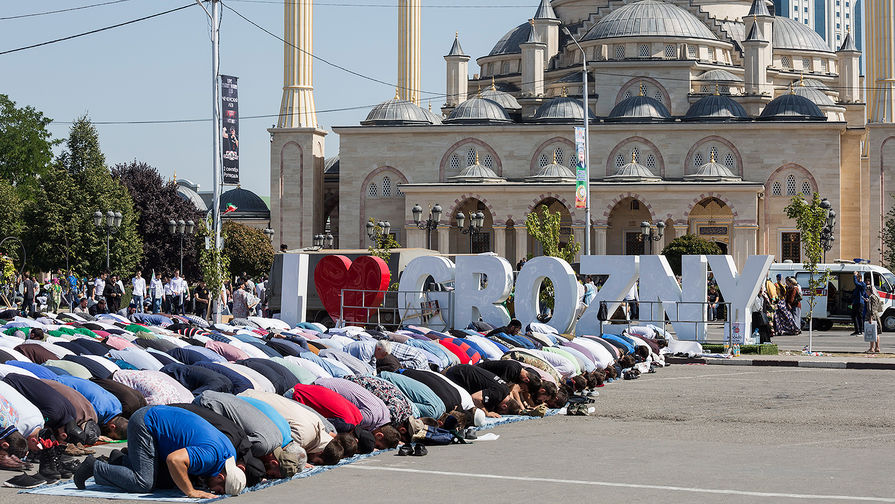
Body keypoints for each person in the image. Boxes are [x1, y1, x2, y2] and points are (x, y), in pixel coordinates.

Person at [74, 405, 246, 498]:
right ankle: (94, 467)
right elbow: (174, 460)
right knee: (143, 483)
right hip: (147, 423)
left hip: (159, 423)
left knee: (167, 480)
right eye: (219, 490)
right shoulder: (210, 457)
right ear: (220, 477)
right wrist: (190, 492)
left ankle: (119, 460)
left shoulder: (229, 454)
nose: (214, 491)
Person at [442, 364, 521, 418]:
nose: (499, 412)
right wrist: (486, 413)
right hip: (459, 374)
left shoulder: (505, 390)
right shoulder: (498, 394)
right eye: (502, 412)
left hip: (463, 369)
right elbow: (475, 397)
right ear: (504, 406)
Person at [867, 285, 883, 353]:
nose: (866, 292)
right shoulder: (876, 297)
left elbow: (872, 309)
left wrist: (871, 318)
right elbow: (879, 307)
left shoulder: (871, 297)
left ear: (869, 291)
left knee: (872, 332)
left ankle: (871, 348)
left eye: (866, 290)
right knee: (877, 333)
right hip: (877, 315)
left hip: (873, 316)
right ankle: (877, 347)